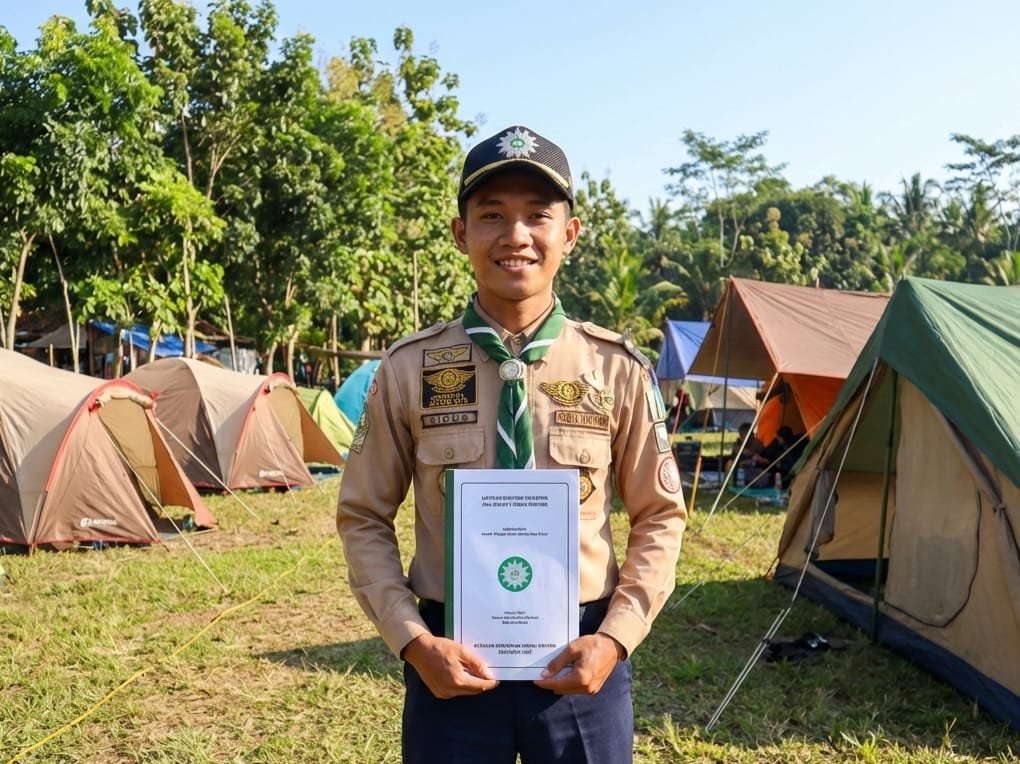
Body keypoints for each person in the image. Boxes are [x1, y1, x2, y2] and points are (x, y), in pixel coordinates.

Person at [336, 125, 687, 763]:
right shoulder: (410, 368)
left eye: (537, 216)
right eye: (492, 215)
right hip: (449, 659)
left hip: (584, 657)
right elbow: (363, 514)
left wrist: (615, 638)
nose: (515, 236)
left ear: (569, 235)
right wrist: (413, 642)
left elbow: (660, 515)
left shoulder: (616, 369)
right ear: (460, 233)